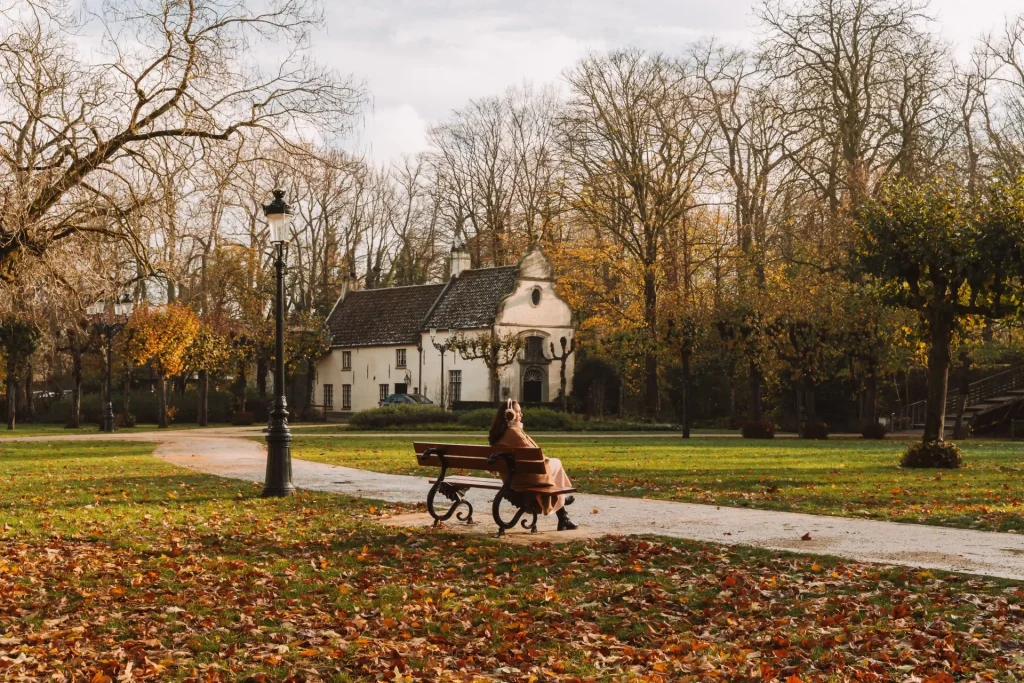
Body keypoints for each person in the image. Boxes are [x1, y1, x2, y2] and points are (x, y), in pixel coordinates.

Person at [488, 399, 577, 531]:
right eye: (518, 412)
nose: (521, 415)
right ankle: (560, 499)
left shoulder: (497, 433)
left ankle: (562, 510)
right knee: (556, 462)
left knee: (553, 463)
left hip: (510, 477)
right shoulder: (514, 432)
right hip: (524, 478)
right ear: (509, 414)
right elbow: (534, 453)